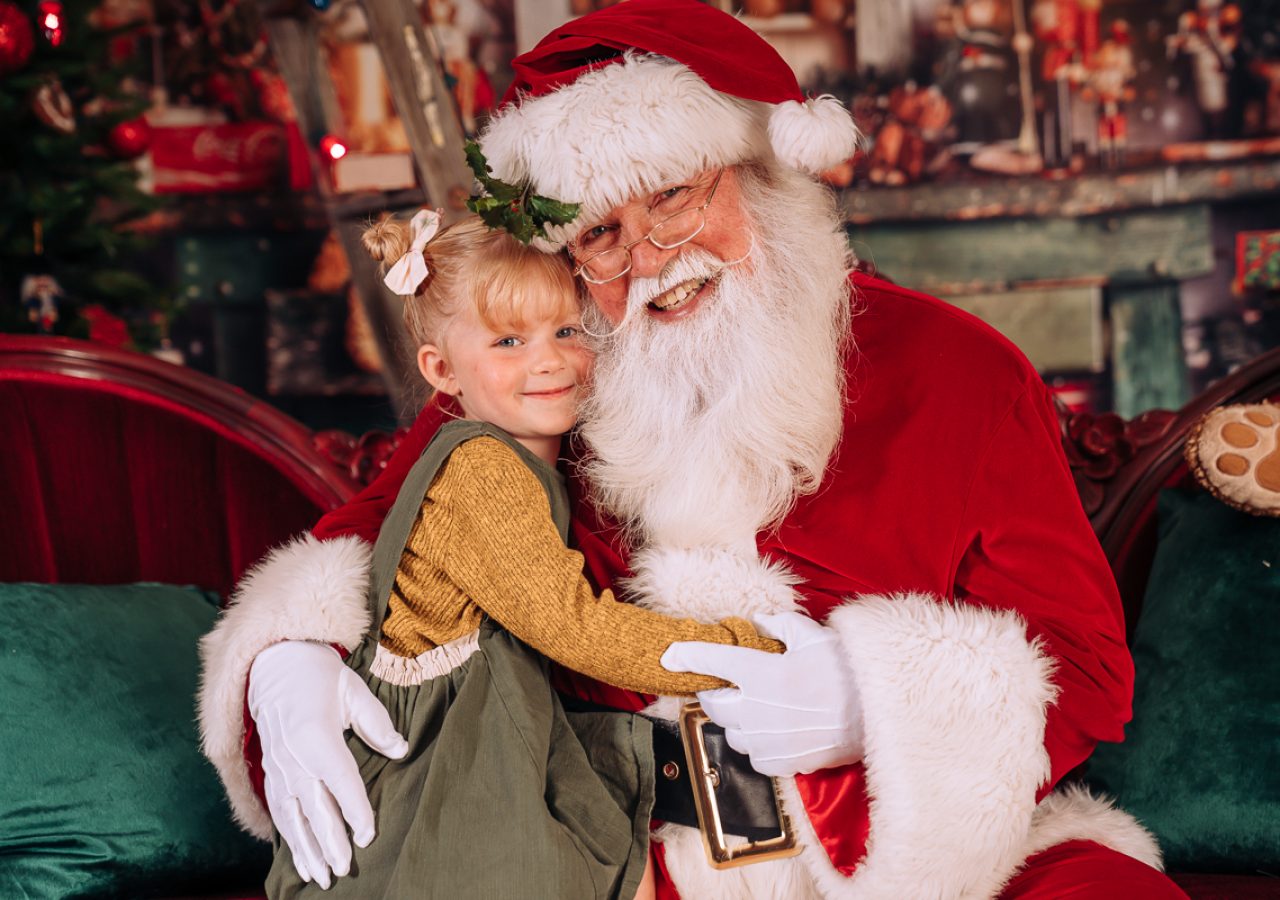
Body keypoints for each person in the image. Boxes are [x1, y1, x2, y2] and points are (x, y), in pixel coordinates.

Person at [199, 1, 1188, 897]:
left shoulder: (958, 369)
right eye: (599, 235)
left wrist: (874, 705)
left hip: (907, 854)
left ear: (761, 175)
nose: (649, 260)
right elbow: (375, 532)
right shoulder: (545, 380)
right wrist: (287, 659)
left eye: (672, 196)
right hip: (626, 855)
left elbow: (1085, 665)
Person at [259, 209, 783, 898]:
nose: (548, 359)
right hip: (449, 756)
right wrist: (744, 652)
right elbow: (575, 626)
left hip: (493, 723)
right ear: (441, 369)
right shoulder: (484, 471)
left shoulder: (520, 455)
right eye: (509, 340)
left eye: (567, 330)